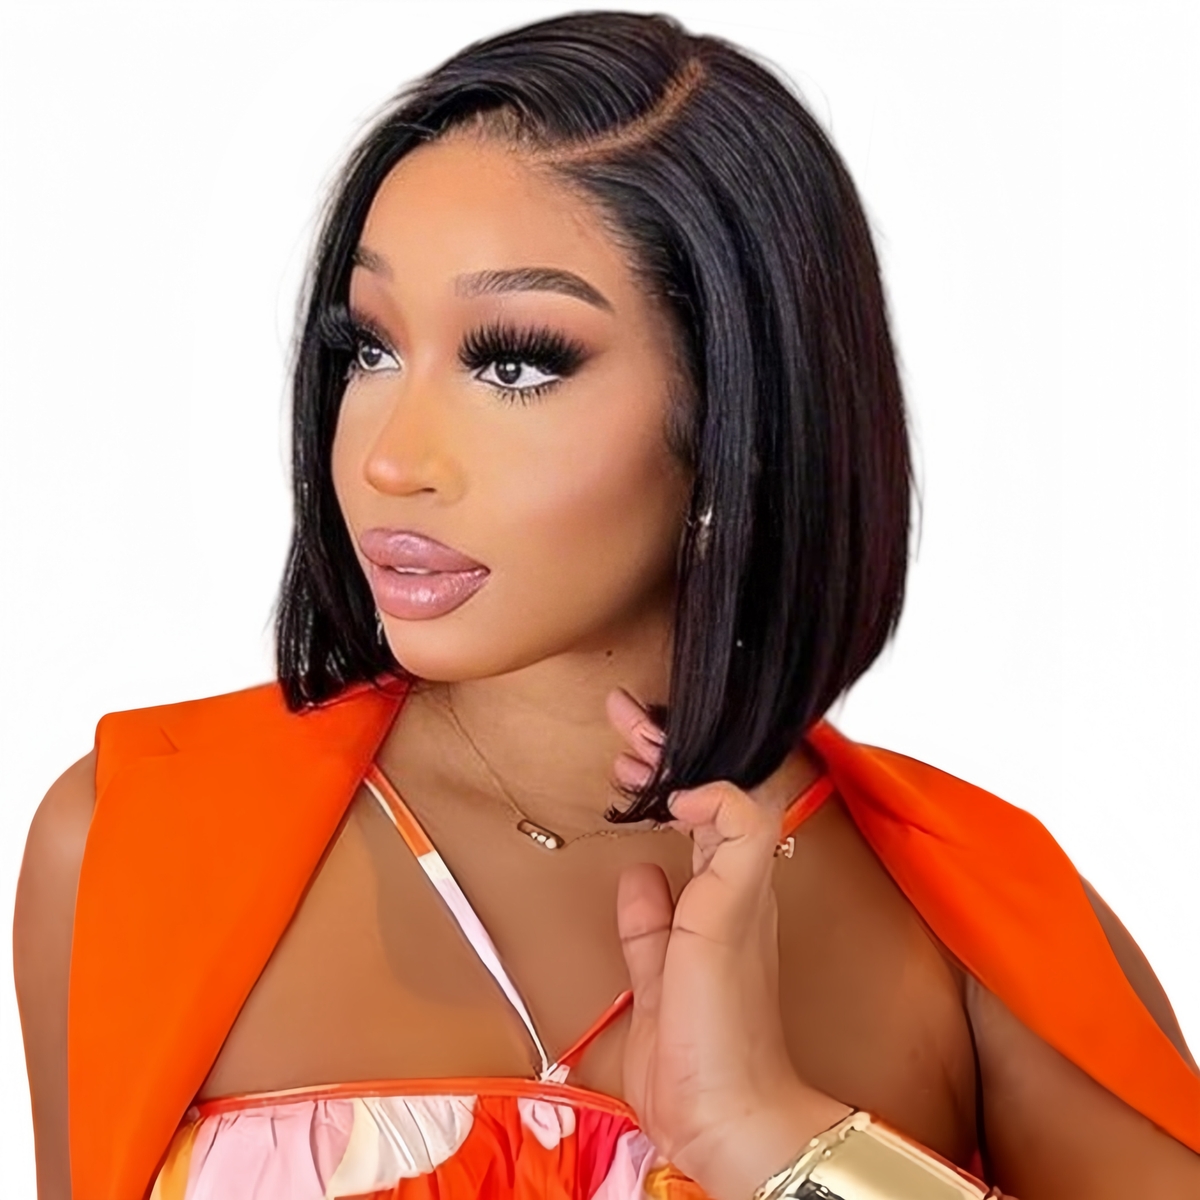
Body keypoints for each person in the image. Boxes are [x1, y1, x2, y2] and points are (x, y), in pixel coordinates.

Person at [13, 11, 1200, 1200]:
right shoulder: (128, 841)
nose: (388, 459)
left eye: (514, 362)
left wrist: (773, 1136)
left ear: (734, 411)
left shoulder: (983, 931)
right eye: (369, 348)